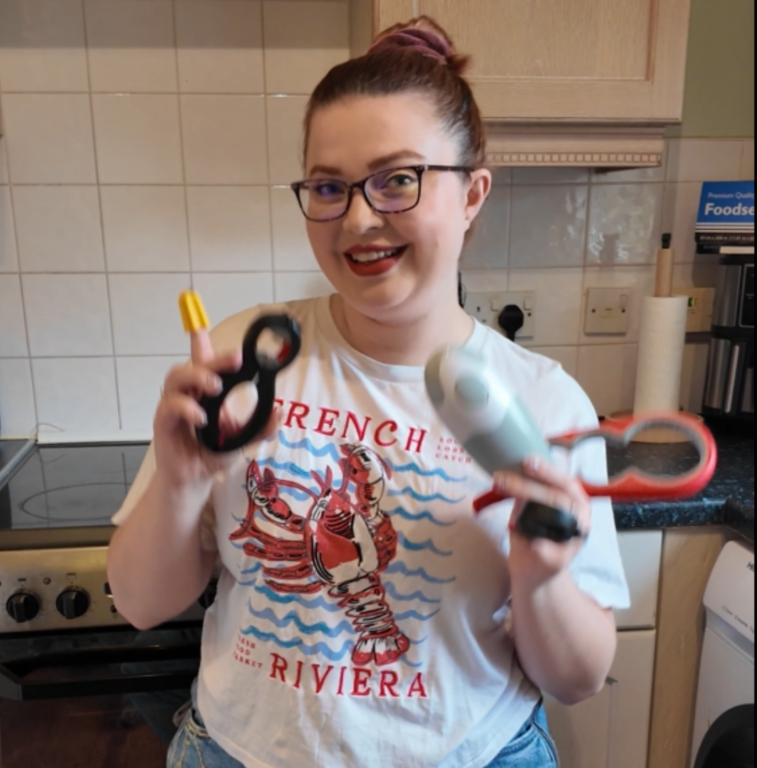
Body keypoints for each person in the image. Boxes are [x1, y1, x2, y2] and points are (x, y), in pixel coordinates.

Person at [107, 16, 630, 768]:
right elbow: (141, 602)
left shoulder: (542, 404)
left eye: (399, 180)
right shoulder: (241, 357)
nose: (358, 218)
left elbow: (576, 680)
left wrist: (542, 577)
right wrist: (183, 481)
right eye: (329, 186)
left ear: (473, 192)